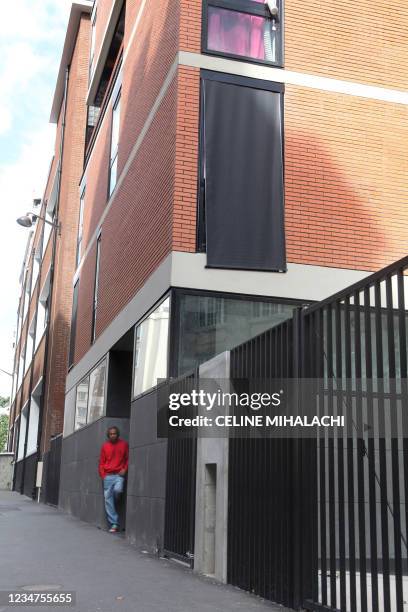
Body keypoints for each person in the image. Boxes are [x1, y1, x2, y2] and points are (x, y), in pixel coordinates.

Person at [98, 426, 129, 533]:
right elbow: (101, 462)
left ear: (117, 434)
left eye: (114, 433)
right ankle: (114, 523)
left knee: (118, 490)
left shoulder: (124, 445)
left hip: (119, 475)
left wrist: (125, 469)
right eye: (111, 434)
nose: (113, 435)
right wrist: (103, 475)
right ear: (108, 435)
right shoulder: (105, 446)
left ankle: (116, 500)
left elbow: (127, 459)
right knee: (108, 501)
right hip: (107, 476)